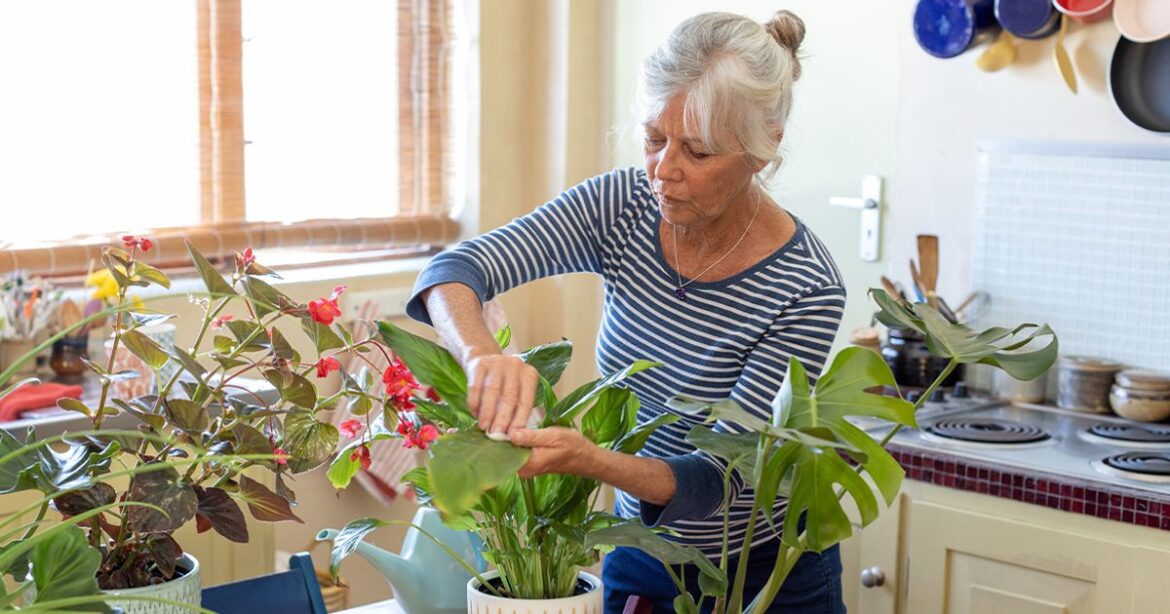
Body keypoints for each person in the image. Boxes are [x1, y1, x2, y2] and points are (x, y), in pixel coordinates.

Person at [404, 9, 847, 613]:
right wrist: (482, 356)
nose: (664, 171)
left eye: (696, 150)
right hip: (644, 547)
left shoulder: (806, 285)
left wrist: (591, 461)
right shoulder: (622, 205)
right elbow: (455, 270)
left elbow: (714, 480)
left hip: (768, 572)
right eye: (653, 138)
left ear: (761, 150)